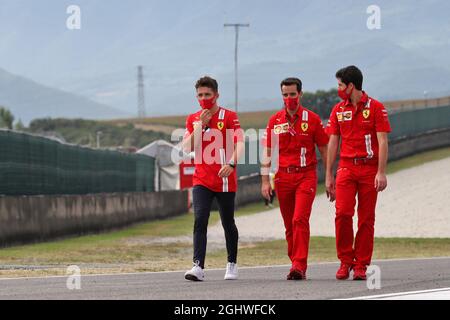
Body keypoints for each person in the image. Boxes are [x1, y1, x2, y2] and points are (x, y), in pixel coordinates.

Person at [325, 66, 391, 281]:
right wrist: (328, 175)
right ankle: (346, 261)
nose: (338, 89)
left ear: (351, 86)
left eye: (340, 85)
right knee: (342, 213)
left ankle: (361, 263)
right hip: (346, 167)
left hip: (369, 168)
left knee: (366, 218)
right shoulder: (337, 110)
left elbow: (382, 141)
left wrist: (381, 172)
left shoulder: (376, 108)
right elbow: (333, 142)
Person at [261, 77, 329, 280]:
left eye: (292, 94)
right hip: (283, 178)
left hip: (306, 176)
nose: (289, 98)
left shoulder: (313, 119)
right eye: (285, 94)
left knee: (300, 219)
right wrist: (265, 181)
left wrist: (329, 177)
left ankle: (299, 265)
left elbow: (324, 149)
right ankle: (295, 261)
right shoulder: (275, 121)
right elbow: (267, 151)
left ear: (300, 94)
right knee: (289, 224)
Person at [182, 76, 244, 281]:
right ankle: (197, 266)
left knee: (228, 221)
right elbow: (187, 148)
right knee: (200, 219)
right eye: (200, 95)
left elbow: (240, 142)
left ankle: (231, 263)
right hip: (202, 179)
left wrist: (232, 163)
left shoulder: (229, 116)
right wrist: (201, 126)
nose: (204, 98)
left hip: (224, 178)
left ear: (216, 95)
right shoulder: (192, 119)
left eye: (207, 94)